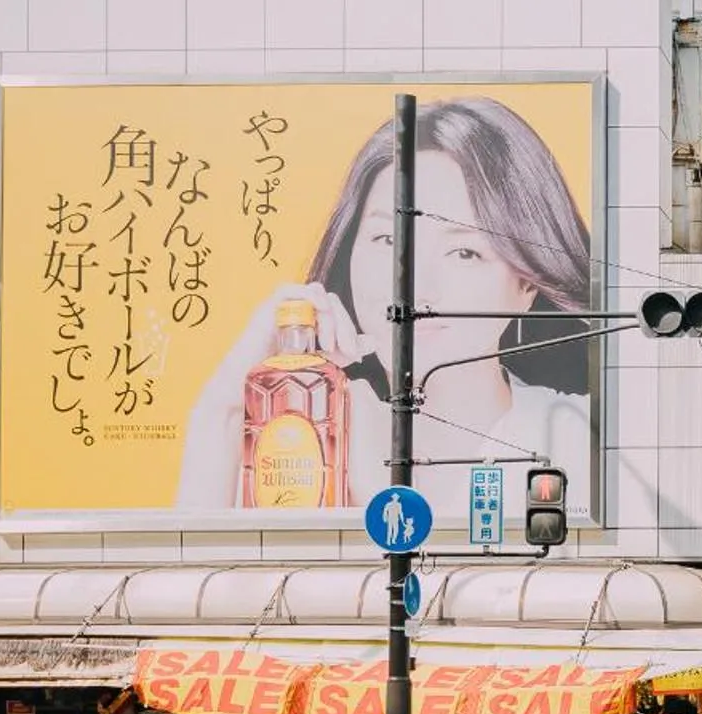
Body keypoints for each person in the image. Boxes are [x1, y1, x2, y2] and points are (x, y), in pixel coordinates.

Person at [177, 97, 595, 510]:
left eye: (464, 252)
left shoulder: (577, 435)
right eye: (388, 240)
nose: (416, 284)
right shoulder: (295, 443)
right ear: (350, 252)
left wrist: (374, 493)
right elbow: (198, 572)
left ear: (526, 283)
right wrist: (226, 403)